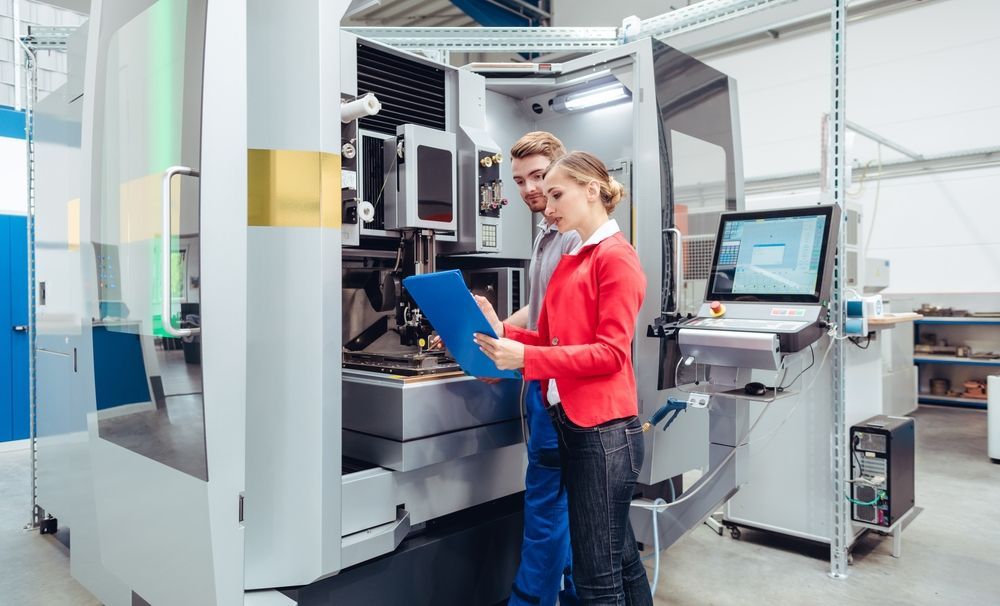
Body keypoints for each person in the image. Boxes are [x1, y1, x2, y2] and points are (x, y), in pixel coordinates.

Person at [474, 151, 652, 605]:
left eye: (556, 195)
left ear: (591, 190)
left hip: (605, 434)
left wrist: (526, 358)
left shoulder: (616, 258)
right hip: (573, 426)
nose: (546, 206)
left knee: (596, 578)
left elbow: (611, 354)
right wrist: (501, 331)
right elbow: (548, 338)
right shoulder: (575, 259)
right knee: (621, 561)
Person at [505, 132, 581, 606]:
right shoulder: (545, 232)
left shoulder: (573, 235)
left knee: (546, 506)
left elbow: (571, 332)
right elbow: (541, 311)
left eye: (538, 177)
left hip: (560, 391)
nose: (529, 189)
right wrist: (499, 330)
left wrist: (514, 349)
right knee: (559, 505)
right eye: (519, 180)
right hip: (542, 382)